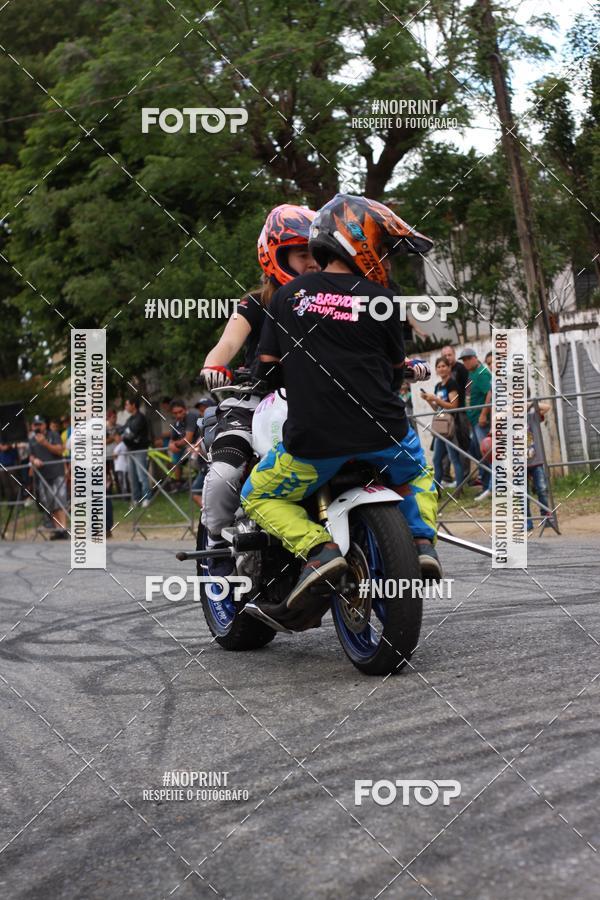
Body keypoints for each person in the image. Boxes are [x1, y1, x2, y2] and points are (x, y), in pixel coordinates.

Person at [241, 193, 440, 625]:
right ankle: (422, 543)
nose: (384, 256)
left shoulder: (287, 297)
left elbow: (268, 373)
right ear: (356, 240)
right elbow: (392, 374)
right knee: (418, 472)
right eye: (382, 246)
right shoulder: (384, 302)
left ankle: (318, 550)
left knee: (256, 495)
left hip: (315, 445)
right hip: (386, 437)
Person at [199, 204, 318, 574]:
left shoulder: (333, 300)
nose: (313, 263)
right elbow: (229, 343)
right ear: (276, 255)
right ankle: (217, 547)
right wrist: (214, 363)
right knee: (224, 473)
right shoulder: (256, 302)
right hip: (256, 399)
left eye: (319, 254)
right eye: (303, 255)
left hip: (317, 399)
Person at [421, 357, 464, 489]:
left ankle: (459, 488)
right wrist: (428, 400)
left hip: (450, 426)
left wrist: (436, 399)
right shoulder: (438, 386)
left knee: (453, 458)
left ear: (449, 368)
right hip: (440, 426)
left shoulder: (452, 384)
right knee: (436, 459)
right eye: (438, 367)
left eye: (444, 366)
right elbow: (437, 409)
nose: (441, 369)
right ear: (436, 370)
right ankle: (437, 489)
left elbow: (453, 406)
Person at [459, 348, 493, 501]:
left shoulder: (482, 373)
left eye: (467, 359)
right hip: (473, 421)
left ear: (475, 358)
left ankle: (491, 487)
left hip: (481, 421)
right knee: (476, 453)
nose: (465, 362)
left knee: (486, 454)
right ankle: (486, 485)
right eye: (463, 360)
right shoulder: (471, 373)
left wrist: (484, 414)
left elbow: (490, 393)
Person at [28, 414, 68, 539]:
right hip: (43, 476)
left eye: (39, 424)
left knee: (59, 502)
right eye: (35, 424)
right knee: (50, 504)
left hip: (56, 473)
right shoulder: (32, 439)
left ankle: (63, 529)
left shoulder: (53, 435)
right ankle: (58, 530)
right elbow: (31, 455)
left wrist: (45, 444)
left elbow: (60, 450)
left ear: (44, 425)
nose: (37, 427)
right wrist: (34, 460)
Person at [527, 396, 552, 531]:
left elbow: (547, 407)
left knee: (541, 489)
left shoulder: (532, 416)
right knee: (522, 494)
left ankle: (546, 518)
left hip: (536, 460)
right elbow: (496, 417)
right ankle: (527, 522)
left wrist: (529, 403)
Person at [122, 397, 151, 506]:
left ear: (133, 405)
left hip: (140, 450)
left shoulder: (140, 418)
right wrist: (125, 433)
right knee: (132, 476)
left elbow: (132, 432)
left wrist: (126, 433)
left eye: (127, 404)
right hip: (131, 450)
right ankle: (136, 498)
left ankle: (146, 498)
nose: (126, 407)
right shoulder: (129, 419)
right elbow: (122, 430)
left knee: (141, 475)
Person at [167, 399, 199, 490]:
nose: (178, 415)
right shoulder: (176, 422)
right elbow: (171, 441)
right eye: (175, 413)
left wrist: (175, 444)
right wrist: (172, 445)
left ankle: (191, 482)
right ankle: (178, 483)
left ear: (185, 409)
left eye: (180, 411)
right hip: (186, 449)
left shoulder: (191, 416)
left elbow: (188, 439)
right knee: (174, 456)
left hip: (198, 448)